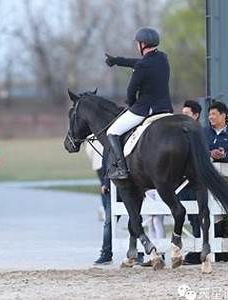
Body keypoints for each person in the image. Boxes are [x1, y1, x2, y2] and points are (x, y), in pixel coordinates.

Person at [104, 27, 173, 180]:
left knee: (112, 132)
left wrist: (132, 104)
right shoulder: (163, 58)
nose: (137, 46)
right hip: (166, 107)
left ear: (143, 44)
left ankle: (121, 168)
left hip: (146, 109)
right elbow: (136, 63)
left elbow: (131, 90)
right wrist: (117, 61)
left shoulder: (142, 66)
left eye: (137, 43)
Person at [178, 100, 203, 265]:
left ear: (196, 115)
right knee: (190, 216)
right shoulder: (181, 133)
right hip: (183, 183)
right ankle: (195, 249)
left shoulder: (199, 132)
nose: (183, 117)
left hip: (196, 182)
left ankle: (199, 250)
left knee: (198, 216)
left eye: (187, 114)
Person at [84, 137, 106, 221]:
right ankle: (105, 208)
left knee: (103, 186)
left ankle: (104, 208)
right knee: (106, 186)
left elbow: (89, 151)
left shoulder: (91, 135)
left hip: (97, 164)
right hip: (104, 163)